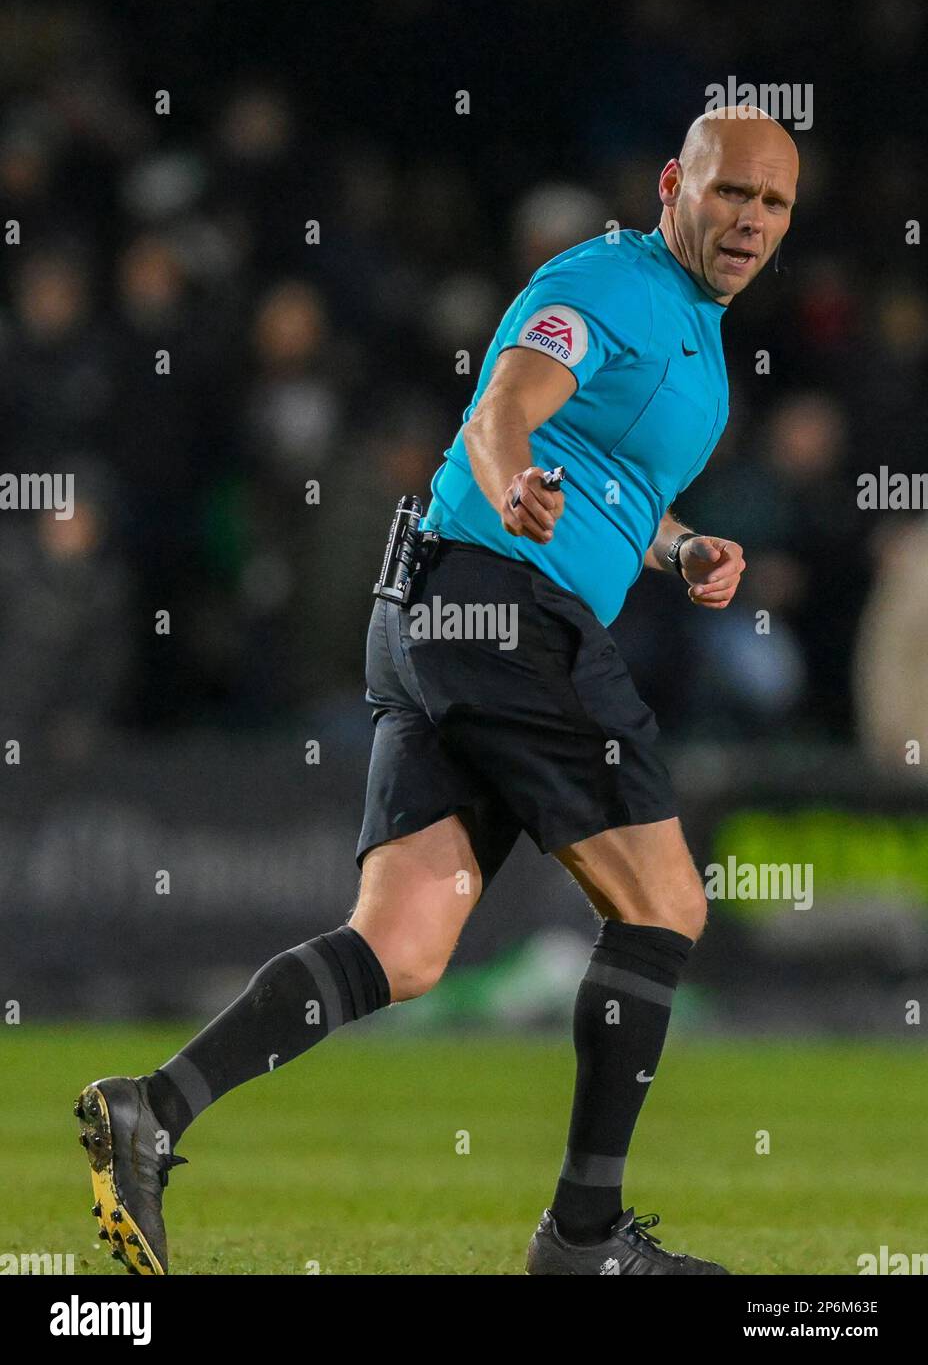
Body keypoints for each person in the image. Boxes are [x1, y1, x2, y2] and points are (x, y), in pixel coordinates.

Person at [75, 106, 799, 1276]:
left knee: (404, 946)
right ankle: (583, 1241)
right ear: (677, 182)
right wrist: (511, 486)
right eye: (730, 194)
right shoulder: (612, 282)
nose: (748, 221)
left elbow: (605, 473)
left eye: (771, 206)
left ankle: (152, 1109)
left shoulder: (695, 334)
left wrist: (675, 551)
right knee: (664, 902)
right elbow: (507, 404)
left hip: (434, 614)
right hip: (503, 606)